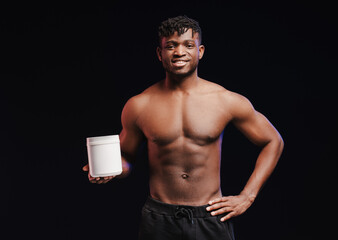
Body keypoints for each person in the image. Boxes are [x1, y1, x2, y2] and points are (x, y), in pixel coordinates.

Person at [83, 15, 284, 240]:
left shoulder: (225, 100)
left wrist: (248, 196)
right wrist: (111, 169)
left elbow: (272, 141)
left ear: (200, 51)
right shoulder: (139, 105)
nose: (179, 52)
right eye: (171, 46)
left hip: (210, 215)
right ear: (160, 54)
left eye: (189, 45)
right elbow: (127, 157)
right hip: (159, 219)